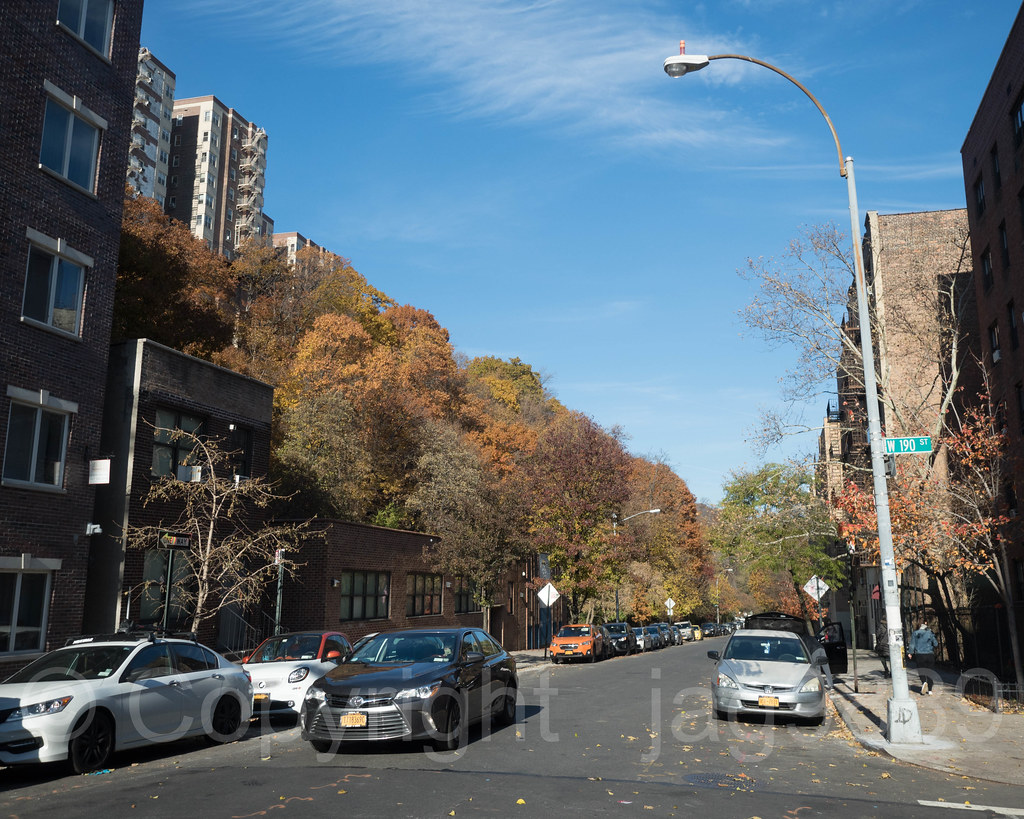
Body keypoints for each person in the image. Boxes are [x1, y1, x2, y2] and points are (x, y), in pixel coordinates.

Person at [907, 621, 938, 695]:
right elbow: (936, 644)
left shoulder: (915, 633)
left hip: (920, 655)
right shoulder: (930, 633)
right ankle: (930, 690)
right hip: (930, 655)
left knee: (921, 671)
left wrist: (910, 653)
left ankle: (924, 682)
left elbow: (912, 644)